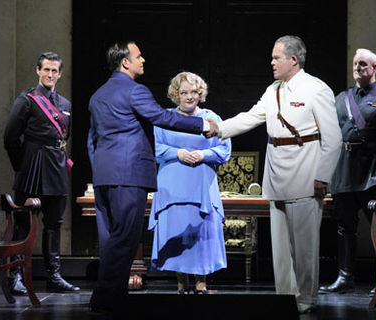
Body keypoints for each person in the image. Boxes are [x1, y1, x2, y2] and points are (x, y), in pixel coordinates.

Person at [206, 35, 342, 313]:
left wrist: (322, 176)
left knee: (304, 246)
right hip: (277, 170)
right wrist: (220, 128)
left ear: (293, 59)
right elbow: (251, 116)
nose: (271, 62)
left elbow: (333, 138)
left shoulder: (316, 89)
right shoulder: (274, 90)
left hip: (305, 170)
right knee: (280, 247)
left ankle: (306, 298)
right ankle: (285, 297)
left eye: (276, 57)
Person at [87, 41, 211, 313]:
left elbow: (92, 140)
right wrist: (202, 125)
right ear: (125, 63)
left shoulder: (97, 95)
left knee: (111, 239)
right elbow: (162, 117)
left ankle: (113, 297)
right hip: (128, 174)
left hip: (105, 175)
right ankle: (103, 298)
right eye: (139, 56)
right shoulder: (134, 90)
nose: (143, 60)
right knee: (126, 238)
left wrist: (98, 171)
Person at [319, 49, 376, 296]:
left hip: (372, 172)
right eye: (356, 64)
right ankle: (345, 278)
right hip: (344, 169)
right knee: (345, 226)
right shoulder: (341, 98)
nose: (358, 68)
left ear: (375, 68)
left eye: (363, 64)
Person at [148, 72, 231, 294]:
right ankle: (181, 284)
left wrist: (204, 155)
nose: (189, 97)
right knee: (175, 230)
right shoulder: (165, 117)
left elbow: (225, 149)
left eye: (193, 92)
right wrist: (178, 153)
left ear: (200, 93)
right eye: (184, 92)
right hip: (172, 184)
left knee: (200, 232)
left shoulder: (211, 117)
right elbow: (153, 147)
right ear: (176, 94)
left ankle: (201, 284)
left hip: (201, 183)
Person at [4, 52, 80, 294]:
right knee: (23, 225)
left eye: (54, 70)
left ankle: (54, 277)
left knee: (54, 223)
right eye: (46, 69)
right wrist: (22, 165)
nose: (50, 74)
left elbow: (63, 137)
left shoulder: (66, 104)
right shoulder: (26, 100)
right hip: (32, 166)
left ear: (60, 73)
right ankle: (14, 276)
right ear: (38, 70)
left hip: (56, 166)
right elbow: (10, 138)